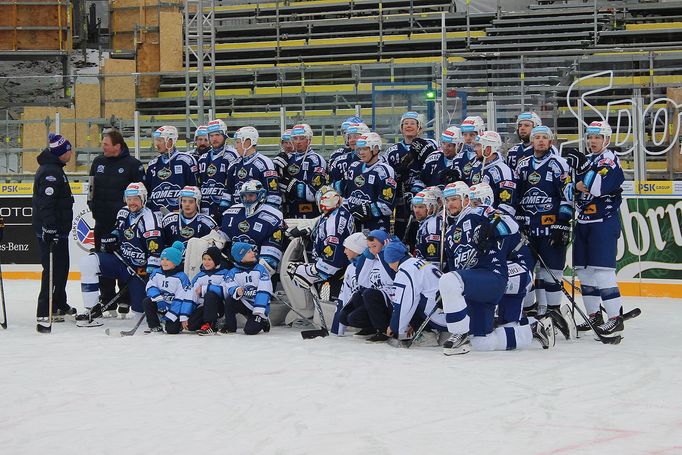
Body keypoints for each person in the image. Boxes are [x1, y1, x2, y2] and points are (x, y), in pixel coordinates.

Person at [438, 183, 551, 354]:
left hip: (492, 276)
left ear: (466, 199)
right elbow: (455, 269)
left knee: (448, 280)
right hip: (475, 287)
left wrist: (489, 228)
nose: (450, 204)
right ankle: (531, 330)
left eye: (454, 199)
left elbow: (512, 225)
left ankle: (459, 333)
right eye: (447, 200)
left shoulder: (479, 212)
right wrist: (448, 295)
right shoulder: (449, 234)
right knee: (481, 342)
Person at [515, 125, 576, 339]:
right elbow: (516, 196)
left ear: (551, 142)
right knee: (524, 272)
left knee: (552, 273)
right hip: (529, 230)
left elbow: (567, 195)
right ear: (531, 141)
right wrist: (519, 220)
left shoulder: (559, 164)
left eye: (545, 138)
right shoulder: (522, 165)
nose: (540, 141)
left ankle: (553, 310)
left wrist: (562, 222)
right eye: (536, 137)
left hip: (551, 229)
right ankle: (532, 311)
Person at [568, 120, 625, 338]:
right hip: (583, 221)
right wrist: (580, 181)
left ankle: (615, 318)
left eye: (597, 137)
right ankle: (594, 315)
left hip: (603, 221)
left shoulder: (609, 159)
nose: (592, 141)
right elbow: (570, 189)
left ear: (606, 139)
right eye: (590, 137)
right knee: (584, 271)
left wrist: (582, 178)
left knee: (603, 272)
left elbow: (596, 188)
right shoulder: (590, 160)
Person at [79, 182, 163, 318]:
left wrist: (149, 274)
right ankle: (92, 309)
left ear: (143, 199)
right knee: (87, 262)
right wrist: (112, 238)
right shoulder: (123, 213)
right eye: (129, 199)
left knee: (139, 313)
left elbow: (155, 253)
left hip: (139, 270)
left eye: (136, 199)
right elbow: (119, 231)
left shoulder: (150, 221)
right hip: (121, 263)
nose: (132, 203)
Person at [88, 128, 145, 316]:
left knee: (125, 262)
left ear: (117, 146)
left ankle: (125, 300)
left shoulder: (133, 165)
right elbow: (91, 189)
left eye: (106, 144)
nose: (102, 147)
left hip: (124, 226)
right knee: (102, 263)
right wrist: (93, 208)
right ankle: (107, 300)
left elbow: (141, 195)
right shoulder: (98, 162)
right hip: (101, 224)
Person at [33, 133, 75, 324]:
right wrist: (49, 227)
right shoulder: (51, 172)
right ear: (62, 153)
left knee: (61, 268)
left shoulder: (55, 168)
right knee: (52, 269)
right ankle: (45, 308)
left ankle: (59, 303)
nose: (71, 153)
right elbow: (46, 203)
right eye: (69, 150)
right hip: (52, 230)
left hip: (59, 229)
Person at [286, 186, 354, 297]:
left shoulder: (332, 226)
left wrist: (309, 271)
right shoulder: (340, 211)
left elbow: (332, 262)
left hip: (335, 274)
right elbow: (319, 221)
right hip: (342, 267)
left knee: (328, 306)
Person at [384, 240, 448, 347]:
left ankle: (426, 335)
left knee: (410, 300)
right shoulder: (419, 262)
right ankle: (447, 332)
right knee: (422, 295)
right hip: (451, 314)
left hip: (439, 315)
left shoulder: (405, 271)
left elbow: (404, 304)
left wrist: (395, 328)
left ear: (391, 260)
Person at [337, 229, 396, 342]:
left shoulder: (390, 258)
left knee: (368, 294)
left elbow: (390, 279)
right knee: (347, 316)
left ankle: (383, 329)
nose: (372, 250)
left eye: (374, 246)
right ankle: (370, 328)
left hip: (391, 301)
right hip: (377, 301)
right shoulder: (368, 259)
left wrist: (383, 254)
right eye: (369, 247)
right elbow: (363, 281)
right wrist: (368, 258)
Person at [220, 179, 286, 276]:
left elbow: (270, 257)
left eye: (251, 195)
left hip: (258, 268)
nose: (247, 199)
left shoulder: (273, 216)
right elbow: (221, 240)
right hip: (234, 268)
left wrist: (256, 274)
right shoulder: (231, 212)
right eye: (244, 196)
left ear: (261, 195)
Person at [344, 132, 397, 232]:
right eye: (359, 149)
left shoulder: (384, 171)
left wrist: (365, 210)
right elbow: (347, 197)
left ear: (375, 149)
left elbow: (387, 206)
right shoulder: (354, 167)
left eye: (365, 149)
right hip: (354, 225)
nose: (361, 153)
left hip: (376, 227)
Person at [144, 125, 198, 215]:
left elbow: (195, 188)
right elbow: (148, 192)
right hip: (156, 215)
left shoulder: (186, 161)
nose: (156, 144)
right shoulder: (152, 164)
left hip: (180, 215)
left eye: (160, 140)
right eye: (156, 140)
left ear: (170, 141)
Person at [221, 242, 272, 335]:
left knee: (250, 331)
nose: (253, 253)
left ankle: (263, 320)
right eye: (248, 252)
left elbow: (265, 290)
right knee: (230, 300)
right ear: (240, 256)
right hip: (245, 302)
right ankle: (230, 326)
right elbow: (229, 285)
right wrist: (236, 290)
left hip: (259, 306)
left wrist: (259, 310)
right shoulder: (233, 272)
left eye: (252, 251)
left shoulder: (261, 269)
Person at [223, 126, 280, 209]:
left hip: (257, 213)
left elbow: (273, 195)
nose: (235, 146)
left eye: (238, 142)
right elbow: (227, 193)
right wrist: (224, 212)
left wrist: (266, 216)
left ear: (248, 142)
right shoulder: (233, 164)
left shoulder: (265, 163)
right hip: (237, 213)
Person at [279, 123, 329, 218]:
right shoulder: (288, 158)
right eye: (295, 138)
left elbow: (313, 194)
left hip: (311, 214)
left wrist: (290, 185)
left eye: (302, 138)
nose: (298, 142)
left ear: (309, 140)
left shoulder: (316, 160)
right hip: (289, 212)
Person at [143, 241, 193, 334]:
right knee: (147, 301)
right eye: (162, 259)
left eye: (168, 259)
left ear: (175, 262)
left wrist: (171, 314)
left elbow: (180, 299)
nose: (164, 262)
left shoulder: (181, 277)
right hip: (160, 304)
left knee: (172, 330)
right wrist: (158, 299)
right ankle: (155, 326)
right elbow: (150, 287)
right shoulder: (156, 272)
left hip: (174, 309)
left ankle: (172, 322)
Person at [197, 119, 239, 223]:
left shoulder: (233, 155)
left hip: (226, 207)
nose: (214, 138)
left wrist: (226, 203)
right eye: (211, 136)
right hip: (205, 207)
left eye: (217, 135)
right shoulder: (203, 158)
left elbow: (235, 183)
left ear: (225, 135)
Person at [467, 130, 516, 215]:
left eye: (478, 146)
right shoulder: (475, 166)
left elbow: (507, 206)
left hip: (491, 222)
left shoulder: (503, 170)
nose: (475, 149)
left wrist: (493, 220)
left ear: (488, 149)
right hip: (475, 218)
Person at [330, 232, 368, 336]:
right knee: (347, 315)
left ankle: (376, 328)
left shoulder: (373, 265)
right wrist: (337, 331)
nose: (344, 251)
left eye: (347, 248)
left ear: (357, 249)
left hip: (380, 313)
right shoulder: (351, 267)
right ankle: (368, 328)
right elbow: (343, 297)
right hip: (365, 309)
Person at [189, 246, 230, 335]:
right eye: (204, 259)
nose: (206, 262)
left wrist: (205, 288)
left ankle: (211, 324)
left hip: (219, 307)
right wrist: (184, 315)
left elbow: (225, 291)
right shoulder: (199, 275)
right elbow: (191, 294)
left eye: (209, 259)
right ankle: (208, 322)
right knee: (191, 325)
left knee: (210, 294)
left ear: (216, 260)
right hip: (204, 307)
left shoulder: (225, 273)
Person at [328, 122, 369, 196]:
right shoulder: (339, 161)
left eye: (356, 136)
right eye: (349, 137)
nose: (352, 140)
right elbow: (330, 187)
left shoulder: (380, 162)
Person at [411, 186, 444, 264]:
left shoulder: (433, 225)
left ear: (431, 207)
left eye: (421, 207)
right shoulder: (425, 222)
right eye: (415, 207)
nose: (416, 210)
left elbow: (434, 261)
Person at [451, 115, 485, 183]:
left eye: (472, 135)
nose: (468, 138)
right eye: (465, 135)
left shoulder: (488, 156)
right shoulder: (458, 158)